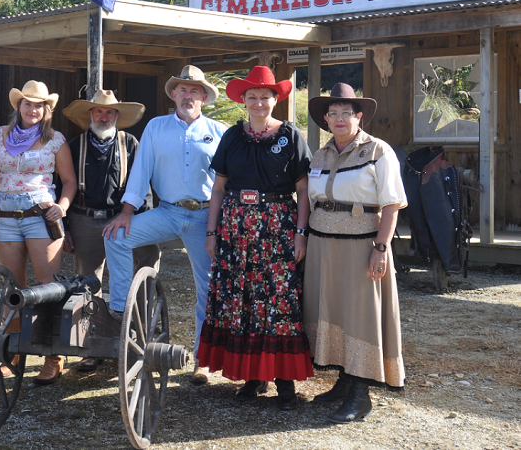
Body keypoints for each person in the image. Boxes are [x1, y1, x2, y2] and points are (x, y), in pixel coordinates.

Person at [196, 66, 313, 410]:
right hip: (235, 227)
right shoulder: (232, 136)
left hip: (277, 226)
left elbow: (303, 191)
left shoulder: (290, 136)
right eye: (252, 97)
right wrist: (211, 231)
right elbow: (218, 188)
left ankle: (284, 382)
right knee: (242, 299)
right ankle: (252, 376)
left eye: (265, 96)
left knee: (278, 300)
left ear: (275, 100)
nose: (258, 102)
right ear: (243, 100)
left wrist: (301, 233)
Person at [103, 65, 227, 385]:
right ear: (174, 95)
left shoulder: (220, 131)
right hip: (168, 212)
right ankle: (120, 311)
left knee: (209, 288)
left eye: (194, 90)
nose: (188, 95)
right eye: (182, 90)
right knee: (117, 237)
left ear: (203, 97)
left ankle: (204, 360)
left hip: (204, 217)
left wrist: (222, 223)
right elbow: (141, 170)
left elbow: (228, 182)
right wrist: (127, 212)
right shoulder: (156, 127)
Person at [303, 83, 407, 423]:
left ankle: (361, 396)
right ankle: (344, 383)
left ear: (358, 116)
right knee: (334, 310)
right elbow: (309, 198)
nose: (339, 119)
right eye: (332, 113)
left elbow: (391, 205)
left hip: (362, 245)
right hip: (322, 244)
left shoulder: (378, 151)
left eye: (346, 112)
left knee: (361, 315)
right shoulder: (320, 155)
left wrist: (381, 247)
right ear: (326, 120)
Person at [0, 80, 77, 384]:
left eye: (39, 105)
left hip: (40, 216)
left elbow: (69, 181)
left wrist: (63, 205)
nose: (33, 109)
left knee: (48, 286)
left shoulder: (55, 140)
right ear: (18, 106)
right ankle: (14, 350)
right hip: (5, 215)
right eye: (27, 103)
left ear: (46, 110)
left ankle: (53, 356)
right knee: (13, 287)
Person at [62, 89, 161, 372]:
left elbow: (144, 183)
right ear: (90, 116)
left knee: (142, 271)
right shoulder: (74, 145)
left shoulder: (131, 143)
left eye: (109, 112)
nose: (103, 116)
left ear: (117, 116)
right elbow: (63, 185)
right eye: (98, 112)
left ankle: (137, 337)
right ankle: (92, 345)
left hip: (126, 218)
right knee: (87, 283)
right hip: (85, 218)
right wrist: (66, 227)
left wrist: (145, 222)